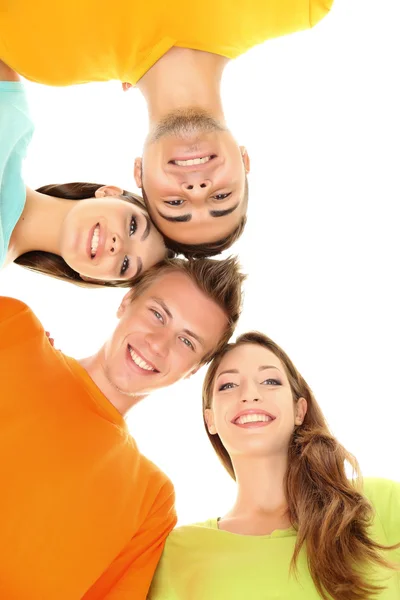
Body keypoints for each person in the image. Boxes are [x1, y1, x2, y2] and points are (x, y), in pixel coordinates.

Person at [0, 0, 334, 256]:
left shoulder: (43, 56)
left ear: (139, 173)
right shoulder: (297, 7)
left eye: (175, 205)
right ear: (245, 160)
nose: (197, 189)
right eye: (221, 195)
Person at [0, 256, 245, 599]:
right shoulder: (12, 327)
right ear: (126, 301)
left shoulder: (152, 500)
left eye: (187, 342)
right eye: (157, 314)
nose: (158, 344)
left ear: (194, 370)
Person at [149, 332, 400, 600]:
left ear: (299, 410)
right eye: (228, 385)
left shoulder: (377, 505)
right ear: (209, 420)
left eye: (270, 381)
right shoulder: (179, 552)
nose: (249, 395)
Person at [0, 60, 167, 287]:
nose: (117, 246)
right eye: (132, 226)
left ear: (92, 279)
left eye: (125, 264)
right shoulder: (14, 115)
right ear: (110, 193)